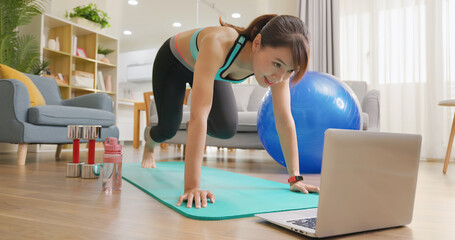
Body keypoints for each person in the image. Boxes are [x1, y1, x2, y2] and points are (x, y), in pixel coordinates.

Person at [142, 14, 320, 209]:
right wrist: (192, 187)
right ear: (257, 43)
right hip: (174, 62)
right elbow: (199, 115)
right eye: (277, 64)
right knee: (168, 128)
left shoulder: (279, 73)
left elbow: (284, 119)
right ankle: (150, 143)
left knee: (226, 127)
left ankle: (191, 129)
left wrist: (295, 178)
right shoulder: (218, 42)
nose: (280, 77)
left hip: (209, 68)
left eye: (290, 70)